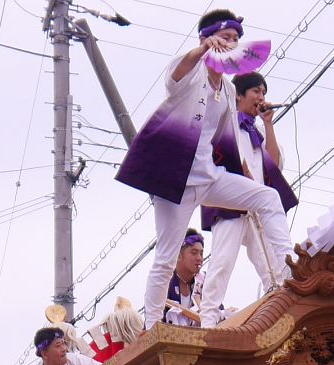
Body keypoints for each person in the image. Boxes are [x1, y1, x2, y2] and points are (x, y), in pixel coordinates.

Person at [116, 10, 294, 330]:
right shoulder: (191, 72)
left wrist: (242, 172)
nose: (231, 44)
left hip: (210, 176)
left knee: (267, 197)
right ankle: (152, 327)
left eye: (236, 40)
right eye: (225, 37)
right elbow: (175, 74)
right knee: (166, 256)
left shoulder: (227, 89)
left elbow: (225, 139)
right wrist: (201, 50)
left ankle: (290, 273)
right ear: (205, 38)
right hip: (177, 181)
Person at [200, 70, 296, 327]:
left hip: (258, 205)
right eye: (256, 91)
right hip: (231, 204)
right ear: (239, 95)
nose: (261, 97)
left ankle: (282, 314)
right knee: (222, 262)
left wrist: (269, 124)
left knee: (272, 266)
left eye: (264, 92)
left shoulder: (258, 131)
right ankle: (208, 321)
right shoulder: (226, 123)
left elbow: (275, 164)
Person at [163, 230, 206, 326]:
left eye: (201, 254)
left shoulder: (204, 282)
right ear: (178, 255)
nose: (199, 258)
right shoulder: (164, 283)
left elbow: (218, 311)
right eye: (194, 253)